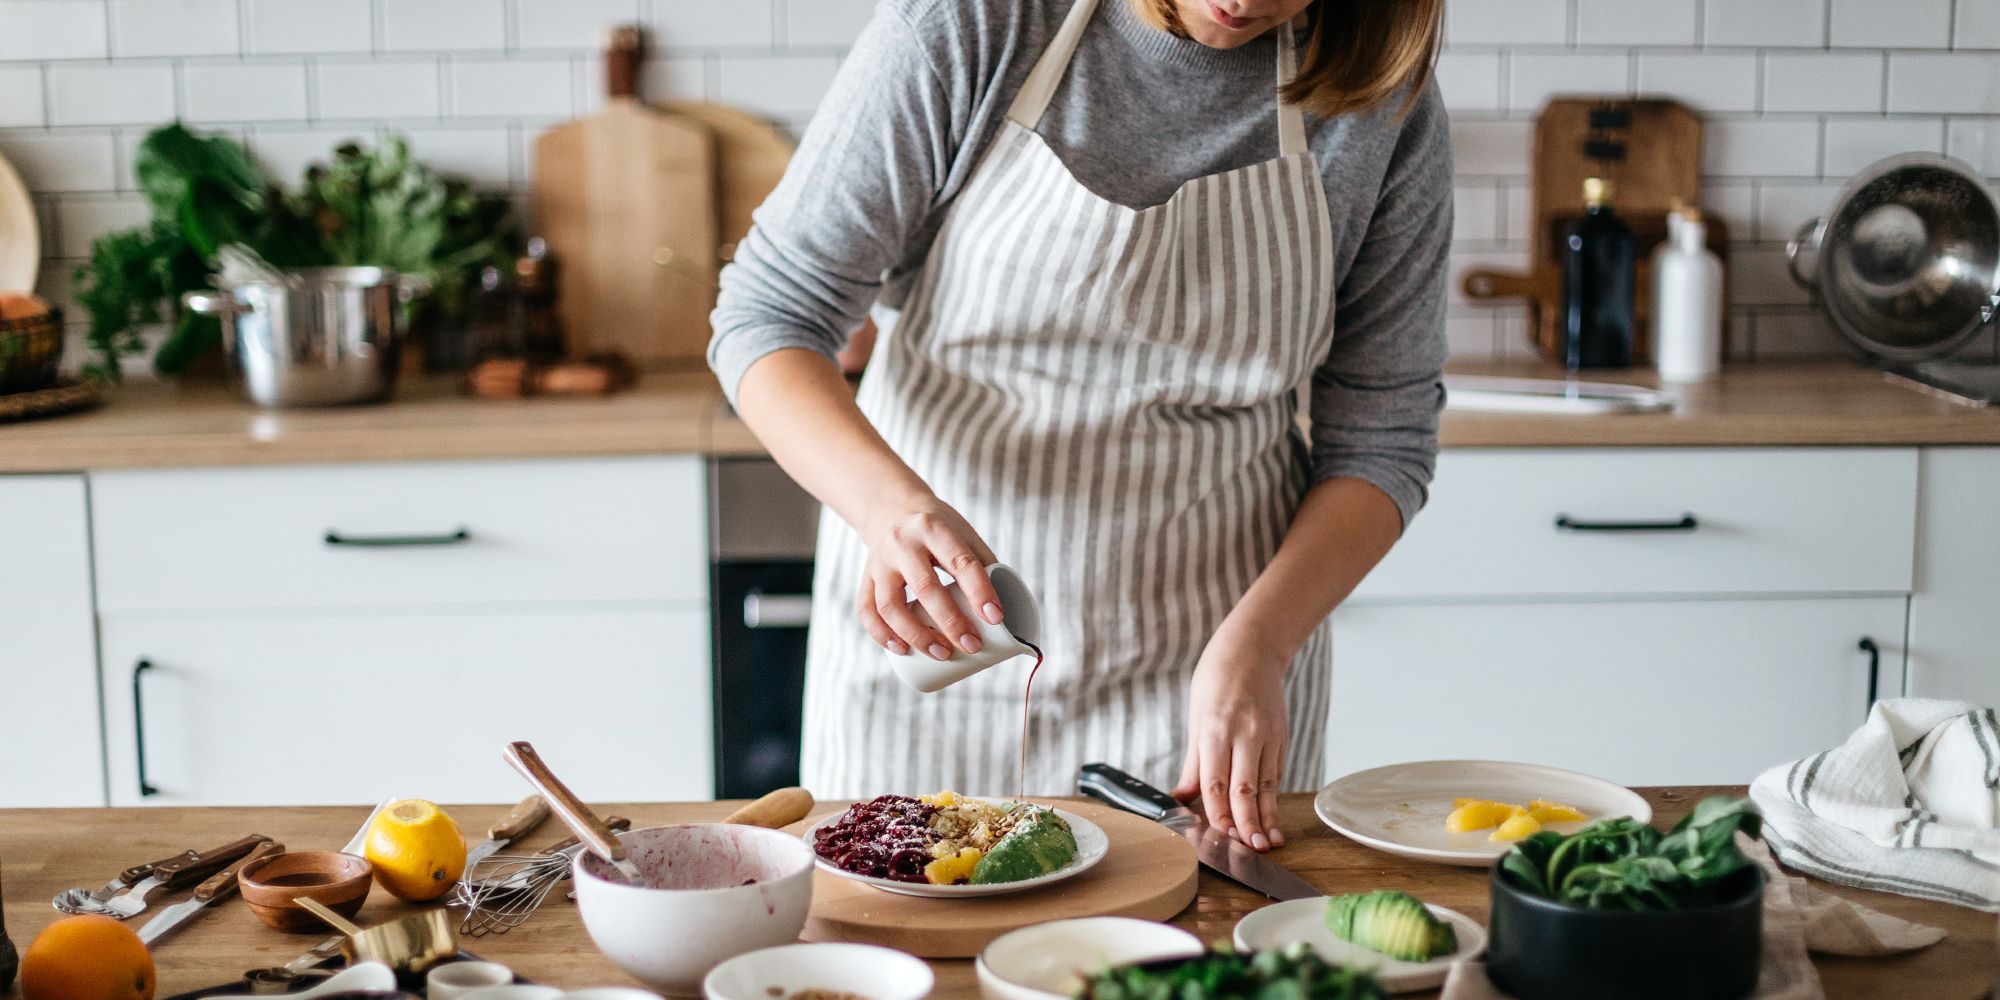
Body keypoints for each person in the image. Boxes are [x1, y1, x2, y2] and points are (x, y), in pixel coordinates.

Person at [709, 0, 1450, 852]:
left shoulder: (1375, 101)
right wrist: (888, 510)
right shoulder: (973, 27)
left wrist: (1264, 643)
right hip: (944, 638)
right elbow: (768, 315)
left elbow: (1384, 436)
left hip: (1211, 664)